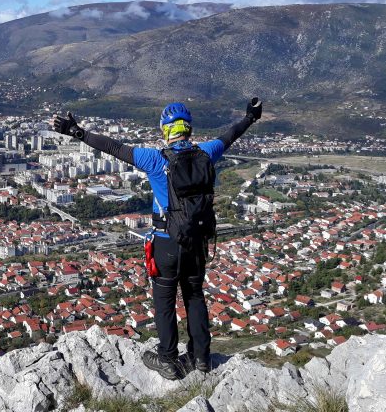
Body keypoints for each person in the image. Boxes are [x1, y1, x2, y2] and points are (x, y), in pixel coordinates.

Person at [52, 98, 262, 379]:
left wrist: (77, 131)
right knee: (194, 296)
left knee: (164, 301)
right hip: (196, 242)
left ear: (165, 130)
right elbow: (229, 136)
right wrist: (250, 118)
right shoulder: (206, 152)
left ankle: (167, 359)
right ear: (188, 128)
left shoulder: (155, 159)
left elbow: (114, 148)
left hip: (165, 243)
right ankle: (201, 358)